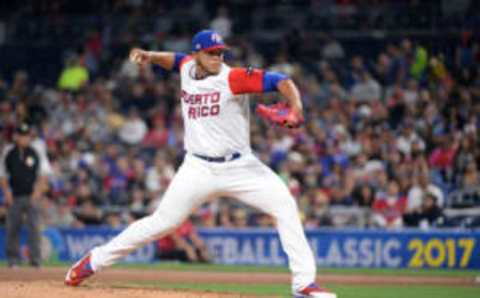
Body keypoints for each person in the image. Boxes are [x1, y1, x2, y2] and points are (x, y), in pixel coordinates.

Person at [64, 30, 337, 298]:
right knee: (162, 222)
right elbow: (174, 59)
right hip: (198, 168)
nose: (218, 57)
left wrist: (296, 106)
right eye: (211, 53)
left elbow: (281, 80)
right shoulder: (187, 67)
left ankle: (303, 285)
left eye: (221, 52)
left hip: (241, 167)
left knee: (286, 207)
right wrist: (149, 56)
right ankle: (93, 261)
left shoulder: (233, 77)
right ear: (197, 55)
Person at [0, 122, 49, 268]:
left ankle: (35, 260)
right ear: (16, 137)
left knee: (35, 228)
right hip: (15, 196)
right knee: (12, 228)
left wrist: (37, 192)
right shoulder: (9, 152)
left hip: (31, 196)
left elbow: (43, 174)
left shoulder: (35, 152)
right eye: (21, 136)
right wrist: (7, 192)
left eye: (26, 136)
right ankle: (13, 260)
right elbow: (2, 175)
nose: (24, 139)